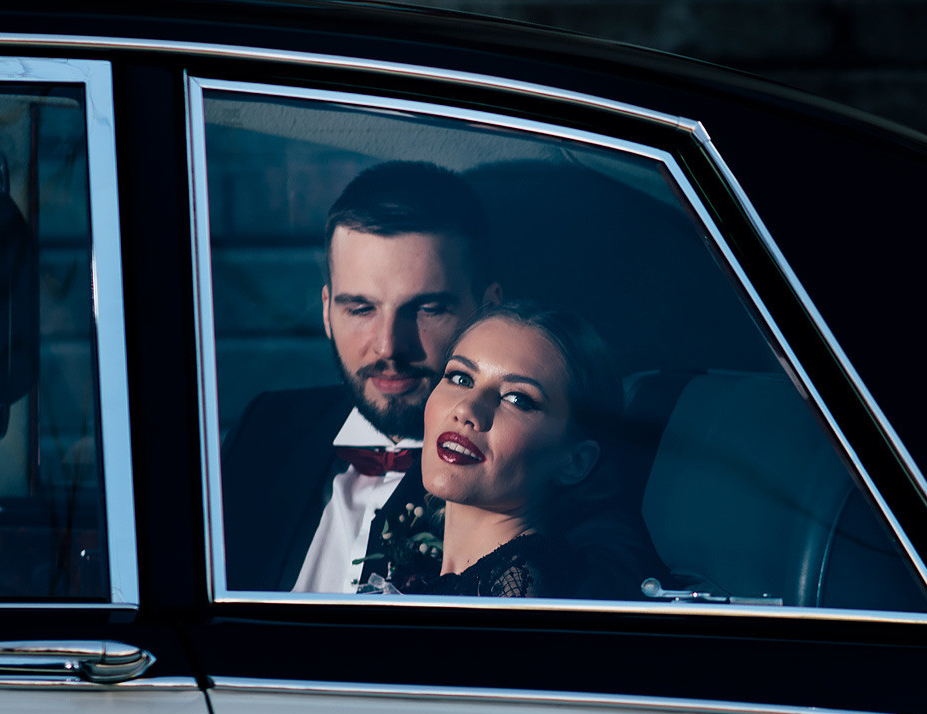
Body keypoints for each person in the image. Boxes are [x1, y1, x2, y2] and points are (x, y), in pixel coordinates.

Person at [218, 161, 500, 593]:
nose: (388, 347)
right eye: (361, 309)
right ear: (327, 311)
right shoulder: (266, 427)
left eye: (426, 309)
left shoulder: (521, 463)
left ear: (487, 309)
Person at [355, 300, 662, 599]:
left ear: (575, 462)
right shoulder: (426, 564)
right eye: (460, 378)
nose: (468, 410)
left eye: (517, 399)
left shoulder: (522, 587)